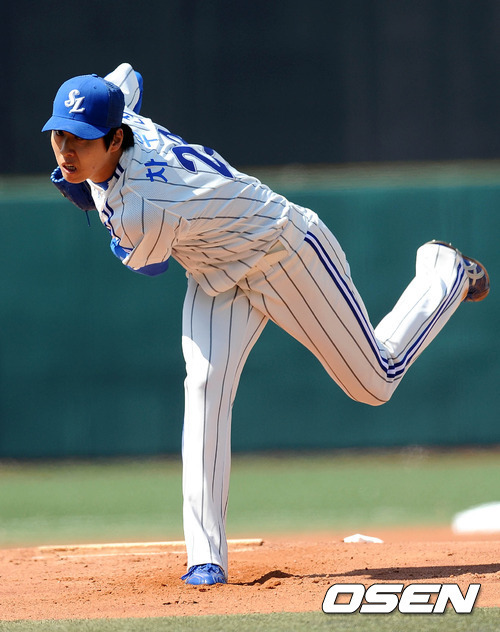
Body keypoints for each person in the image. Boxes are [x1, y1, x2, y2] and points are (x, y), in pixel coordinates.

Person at [42, 63, 489, 586]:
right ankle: (205, 558)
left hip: (283, 250)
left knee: (375, 382)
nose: (67, 149)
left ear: (116, 139)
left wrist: (83, 188)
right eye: (60, 135)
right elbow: (127, 76)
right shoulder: (120, 116)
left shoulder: (143, 206)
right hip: (214, 274)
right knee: (205, 387)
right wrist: (92, 133)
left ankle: (443, 271)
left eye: (82, 139)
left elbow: (147, 265)